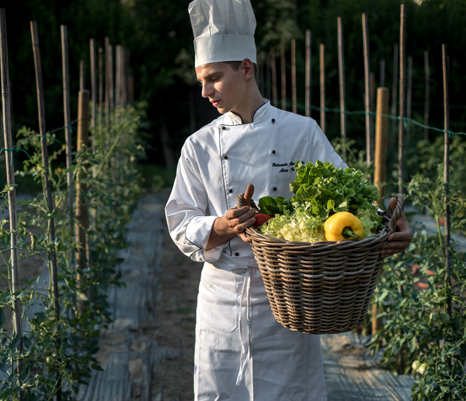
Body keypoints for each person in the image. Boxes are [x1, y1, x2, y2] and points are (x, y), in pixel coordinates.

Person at [164, 0, 414, 400]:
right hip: (220, 301)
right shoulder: (199, 146)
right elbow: (179, 221)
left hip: (287, 299)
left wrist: (386, 224)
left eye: (213, 78)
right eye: (202, 81)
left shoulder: (302, 133)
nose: (205, 91)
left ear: (246, 69)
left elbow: (351, 200)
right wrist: (220, 226)